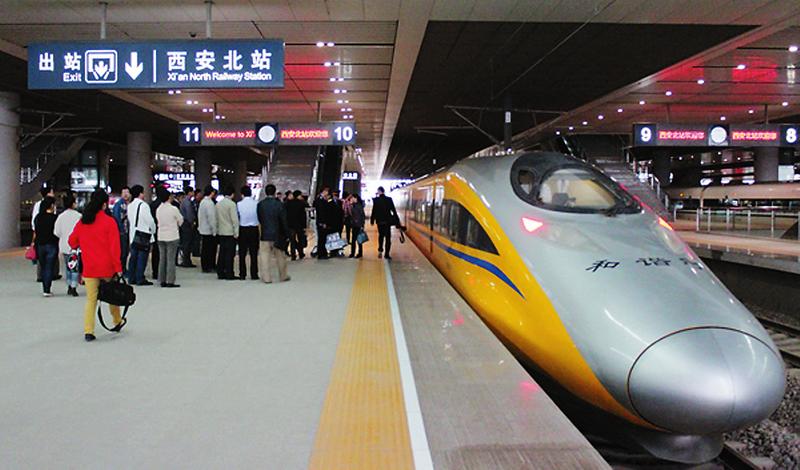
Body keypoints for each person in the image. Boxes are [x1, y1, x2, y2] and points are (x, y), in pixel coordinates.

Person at [68, 189, 124, 342]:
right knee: (112, 296)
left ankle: (89, 331)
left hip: (90, 268)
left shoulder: (83, 222)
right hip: (107, 267)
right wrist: (118, 268)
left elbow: (72, 241)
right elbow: (115, 249)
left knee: (91, 300)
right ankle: (117, 321)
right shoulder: (109, 222)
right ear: (104, 205)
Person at [257, 184, 290, 283]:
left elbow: (260, 218)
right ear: (275, 192)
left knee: (264, 256)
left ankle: (266, 278)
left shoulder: (260, 204)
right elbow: (284, 220)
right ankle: (283, 276)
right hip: (278, 235)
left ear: (265, 192)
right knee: (280, 256)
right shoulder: (279, 204)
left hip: (265, 234)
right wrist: (287, 234)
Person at [127, 184, 156, 286]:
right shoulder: (144, 205)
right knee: (142, 258)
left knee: (133, 257)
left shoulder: (130, 206)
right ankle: (140, 278)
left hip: (133, 235)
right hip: (143, 235)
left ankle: (131, 277)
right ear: (140, 194)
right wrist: (153, 230)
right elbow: (150, 221)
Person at [54, 194, 82, 296]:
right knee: (74, 267)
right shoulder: (79, 216)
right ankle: (73, 286)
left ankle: (69, 284)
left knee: (68, 267)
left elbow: (56, 232)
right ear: (73, 204)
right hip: (76, 246)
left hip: (64, 245)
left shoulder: (61, 217)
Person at [32, 185, 59, 282]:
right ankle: (47, 277)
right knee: (49, 260)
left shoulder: (38, 216)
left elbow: (34, 220)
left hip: (40, 240)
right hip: (50, 239)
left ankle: (44, 276)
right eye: (51, 192)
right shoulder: (52, 214)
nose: (53, 193)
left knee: (42, 260)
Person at [215, 185, 239, 280]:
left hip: (221, 231)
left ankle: (220, 272)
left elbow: (216, 219)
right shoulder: (231, 204)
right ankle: (229, 273)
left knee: (222, 252)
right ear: (232, 194)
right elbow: (234, 220)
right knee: (230, 254)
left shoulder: (218, 204)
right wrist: (236, 232)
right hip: (230, 232)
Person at [237, 185, 260, 280]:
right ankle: (254, 274)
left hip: (243, 229)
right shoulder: (256, 203)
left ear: (242, 194)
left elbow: (238, 217)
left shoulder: (239, 204)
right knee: (254, 253)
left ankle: (242, 274)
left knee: (242, 253)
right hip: (254, 229)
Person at [370, 186, 399, 260]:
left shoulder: (376, 200)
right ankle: (387, 254)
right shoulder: (389, 199)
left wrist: (372, 220)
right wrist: (397, 221)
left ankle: (380, 250)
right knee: (388, 238)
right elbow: (393, 210)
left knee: (381, 236)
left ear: (379, 191)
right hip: (387, 222)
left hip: (380, 222)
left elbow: (374, 210)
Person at [198, 186, 218, 273]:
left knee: (205, 249)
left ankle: (205, 266)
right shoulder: (209, 203)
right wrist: (214, 230)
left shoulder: (202, 202)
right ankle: (210, 265)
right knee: (210, 249)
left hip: (203, 228)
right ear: (212, 192)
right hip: (209, 230)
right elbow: (211, 218)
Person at [112, 186, 131, 275]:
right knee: (122, 252)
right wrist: (120, 230)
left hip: (127, 231)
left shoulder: (129, 204)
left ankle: (123, 268)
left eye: (127, 192)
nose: (126, 194)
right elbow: (116, 218)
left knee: (126, 251)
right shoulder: (119, 205)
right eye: (124, 192)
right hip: (121, 232)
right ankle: (121, 269)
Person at [313, 187, 335, 260]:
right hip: (321, 222)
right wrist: (323, 223)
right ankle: (321, 253)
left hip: (323, 221)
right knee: (321, 238)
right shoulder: (319, 200)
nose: (327, 193)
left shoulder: (323, 200)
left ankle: (323, 252)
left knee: (323, 238)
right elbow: (321, 213)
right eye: (326, 191)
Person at [286, 189, 308, 260]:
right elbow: (303, 215)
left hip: (290, 224)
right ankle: (301, 253)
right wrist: (304, 226)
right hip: (299, 225)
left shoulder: (288, 203)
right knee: (300, 239)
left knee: (292, 241)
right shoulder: (301, 203)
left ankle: (293, 255)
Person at [178, 186, 197, 267]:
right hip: (187, 224)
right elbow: (189, 214)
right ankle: (186, 261)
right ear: (189, 192)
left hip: (185, 223)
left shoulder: (185, 201)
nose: (193, 193)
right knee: (187, 243)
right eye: (192, 191)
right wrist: (192, 222)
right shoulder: (187, 202)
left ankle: (186, 260)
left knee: (186, 242)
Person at [348, 194, 366, 258]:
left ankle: (356, 253)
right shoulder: (354, 205)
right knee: (356, 240)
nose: (351, 199)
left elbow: (362, 216)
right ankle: (355, 253)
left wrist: (362, 224)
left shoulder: (358, 206)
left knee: (357, 240)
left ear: (355, 198)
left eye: (352, 198)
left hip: (357, 225)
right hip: (355, 225)